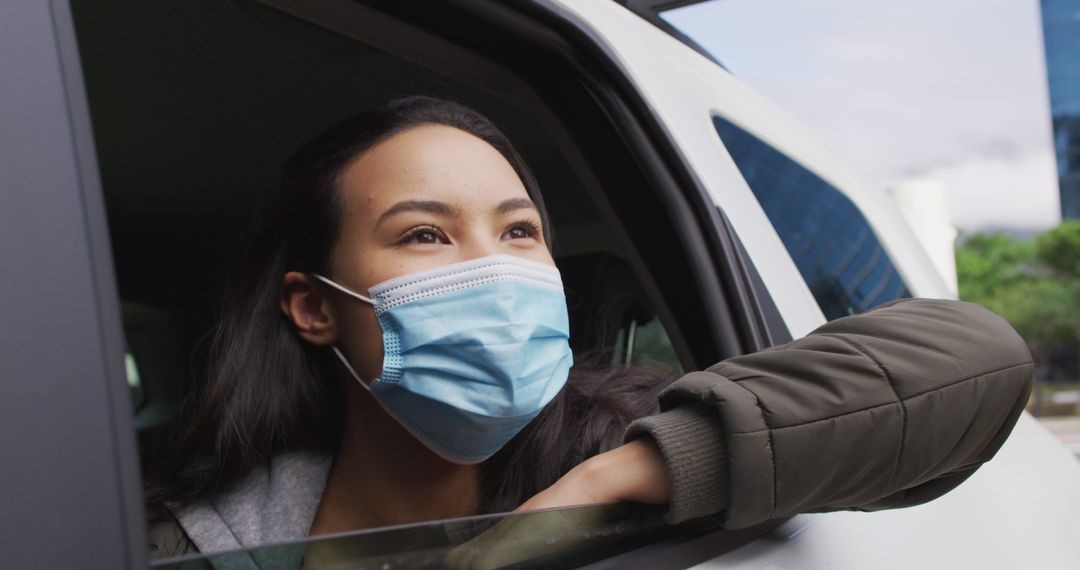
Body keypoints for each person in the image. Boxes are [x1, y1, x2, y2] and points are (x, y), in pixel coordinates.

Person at [146, 96, 1033, 562]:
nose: (490, 269)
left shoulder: (620, 436)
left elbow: (979, 357)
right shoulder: (188, 533)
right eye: (425, 233)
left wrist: (615, 480)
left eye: (519, 231)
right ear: (314, 306)